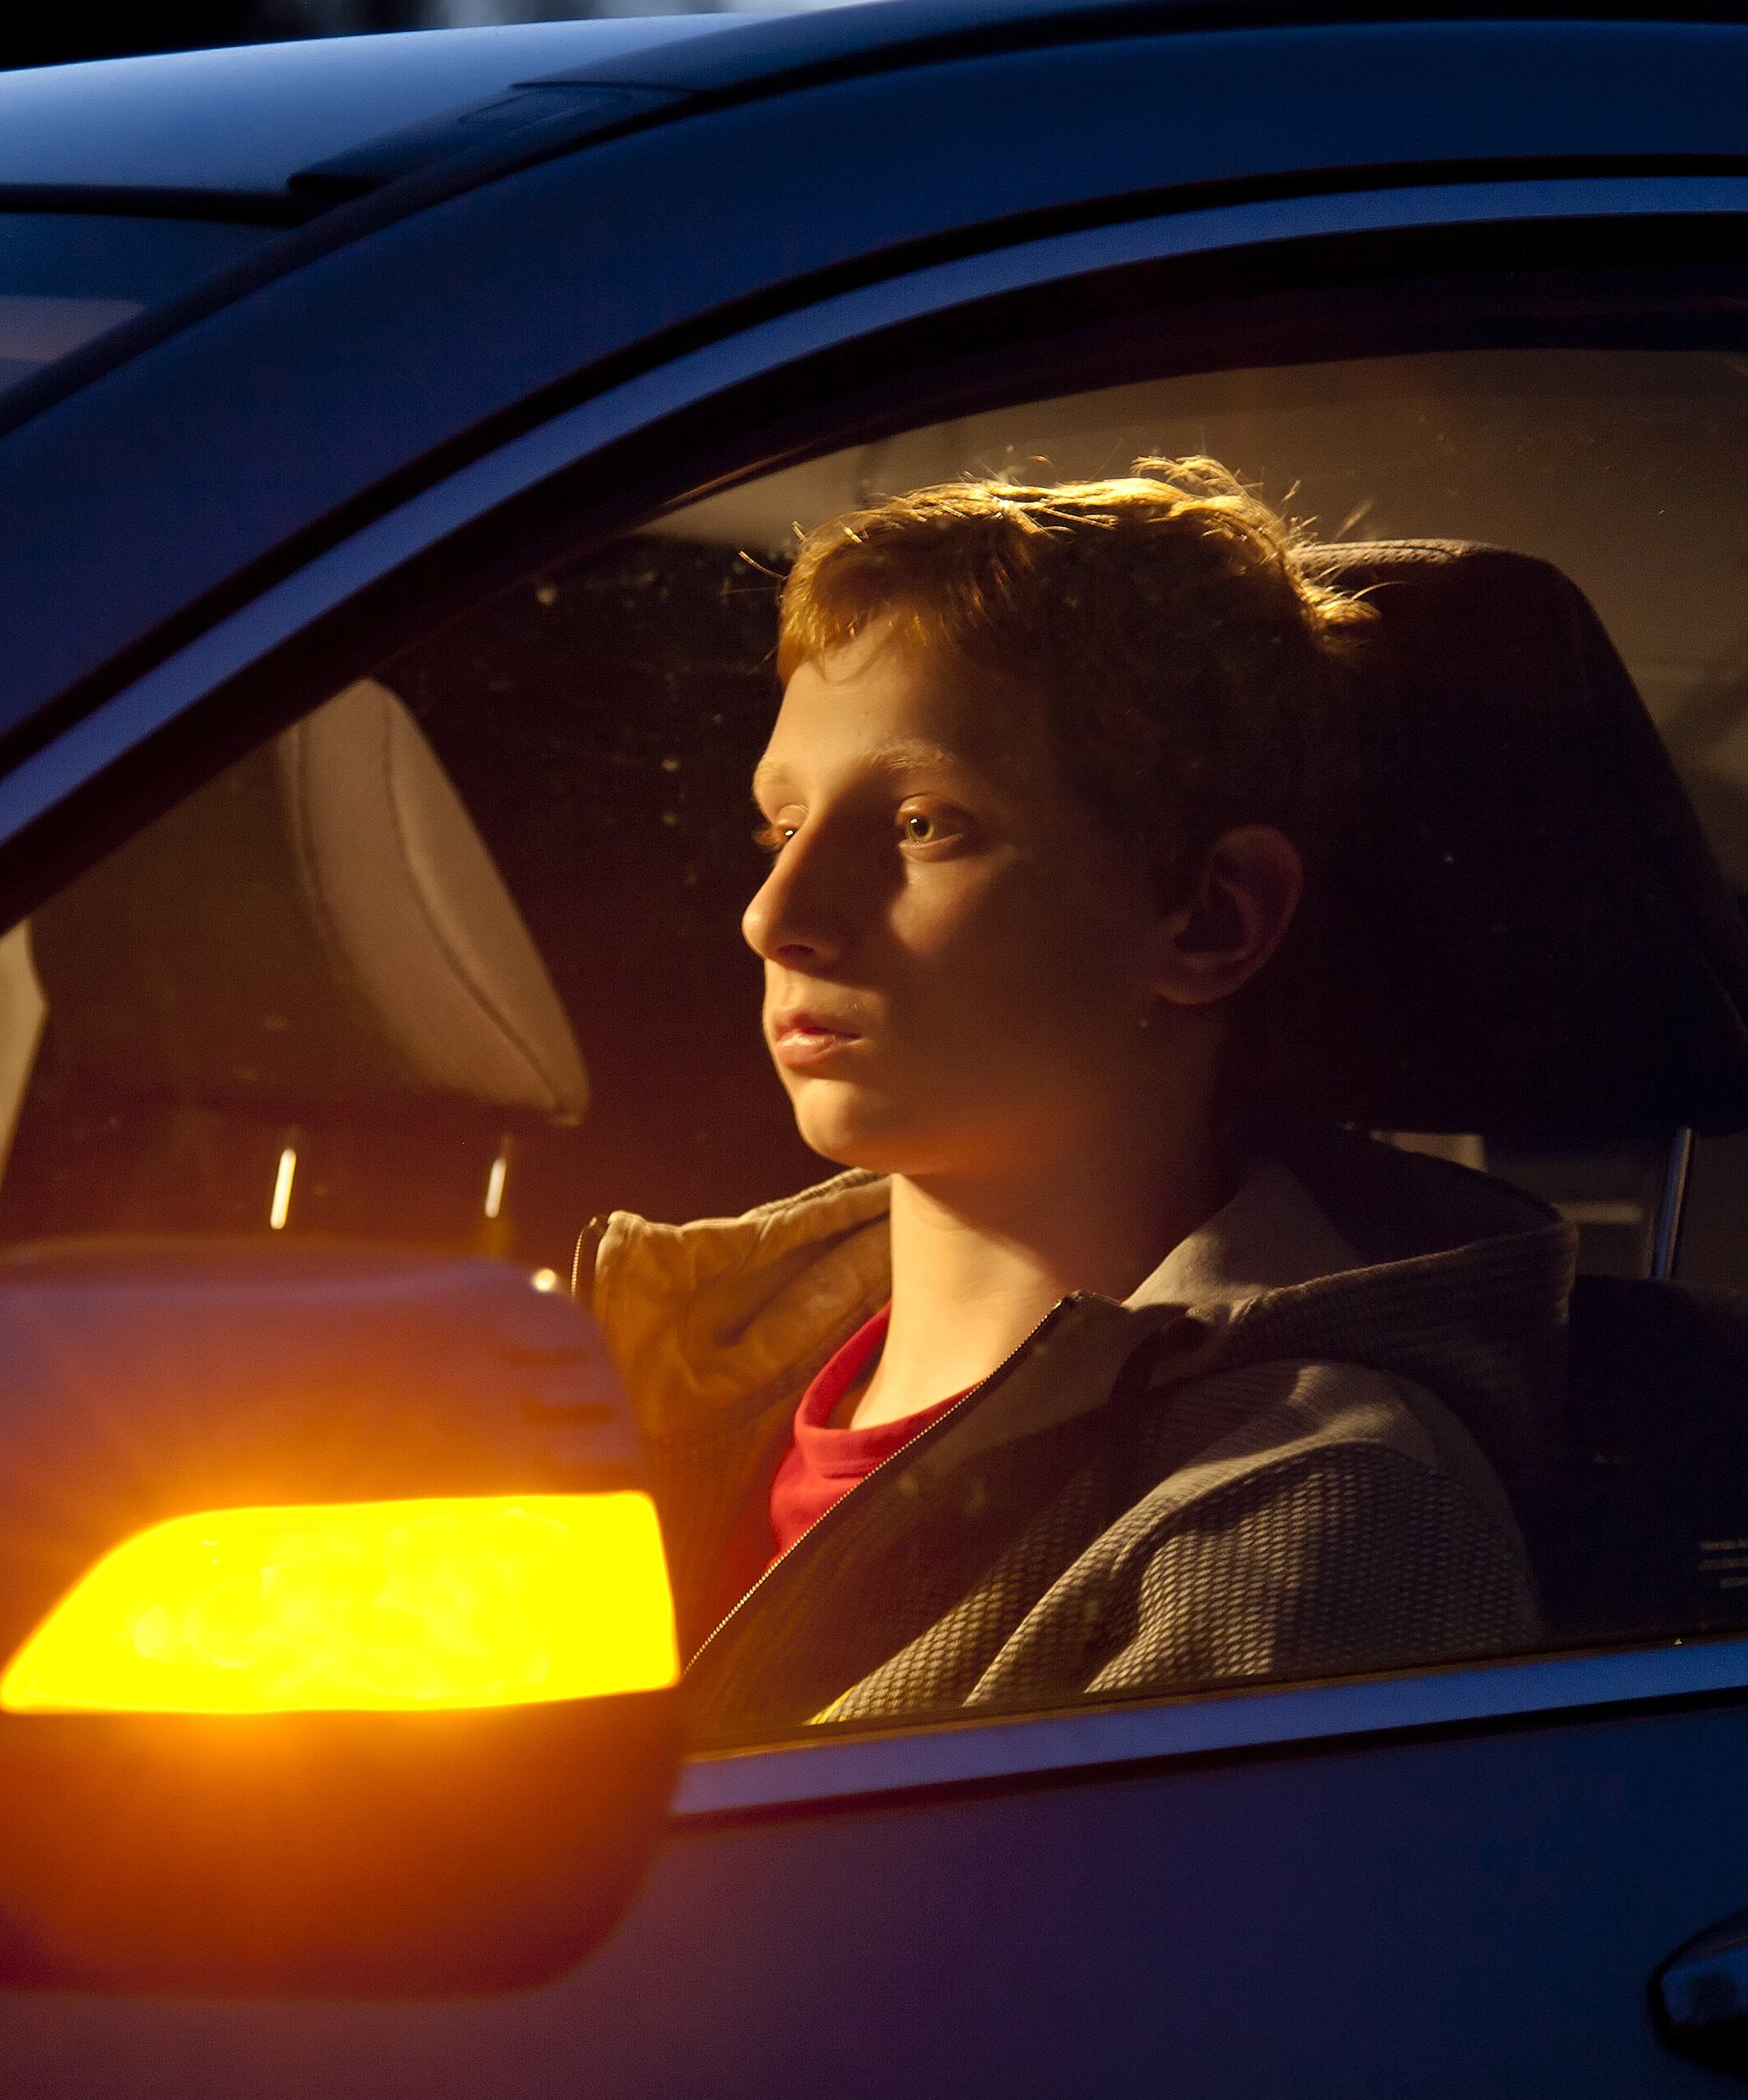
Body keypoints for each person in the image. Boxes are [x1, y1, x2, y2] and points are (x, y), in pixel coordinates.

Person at [575, 458, 1569, 1738]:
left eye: (927, 823)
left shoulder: (1307, 1524)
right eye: (783, 825)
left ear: (1212, 917)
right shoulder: (672, 1380)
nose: (778, 915)